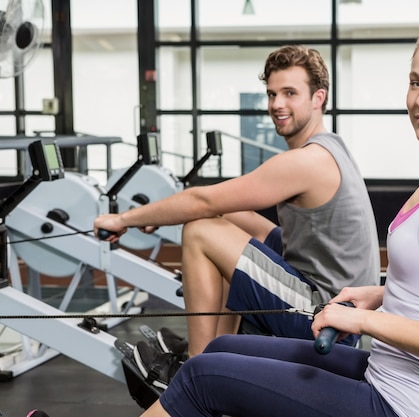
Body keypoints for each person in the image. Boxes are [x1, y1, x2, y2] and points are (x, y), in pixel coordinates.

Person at [136, 15, 419, 417]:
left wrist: (366, 320)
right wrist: (383, 296)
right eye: (417, 82)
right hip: (388, 375)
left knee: (201, 376)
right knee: (223, 349)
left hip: (406, 405)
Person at [94, 45, 380, 362]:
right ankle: (222, 345)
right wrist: (160, 215)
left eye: (290, 93)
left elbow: (201, 200)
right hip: (330, 299)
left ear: (318, 98)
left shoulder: (308, 161)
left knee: (201, 229)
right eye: (272, 94)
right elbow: (220, 205)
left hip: (323, 316)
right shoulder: (331, 146)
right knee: (226, 215)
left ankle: (196, 366)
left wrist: (123, 220)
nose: (277, 104)